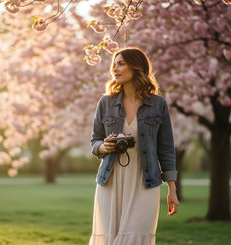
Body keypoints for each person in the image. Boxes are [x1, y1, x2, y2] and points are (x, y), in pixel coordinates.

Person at [89, 47, 179, 245]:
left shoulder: (158, 104)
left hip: (145, 182)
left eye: (121, 64)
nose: (115, 69)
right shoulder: (106, 103)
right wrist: (104, 147)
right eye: (114, 64)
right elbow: (95, 141)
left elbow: (166, 148)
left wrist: (172, 189)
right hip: (111, 180)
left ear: (136, 67)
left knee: (135, 237)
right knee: (111, 239)